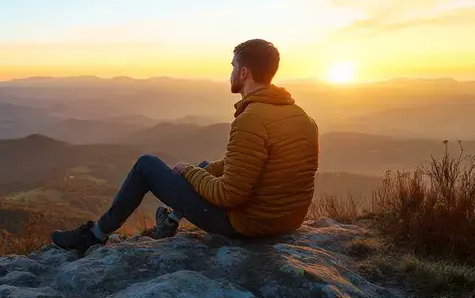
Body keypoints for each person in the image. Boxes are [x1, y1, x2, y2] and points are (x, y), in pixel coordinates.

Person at [51, 39, 319, 252]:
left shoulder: (252, 119)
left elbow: (229, 196)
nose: (231, 73)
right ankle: (170, 222)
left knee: (146, 166)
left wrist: (189, 172)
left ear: (244, 72)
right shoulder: (303, 117)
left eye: (233, 66)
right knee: (203, 168)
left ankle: (94, 236)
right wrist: (199, 170)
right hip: (286, 222)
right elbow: (245, 165)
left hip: (248, 225)